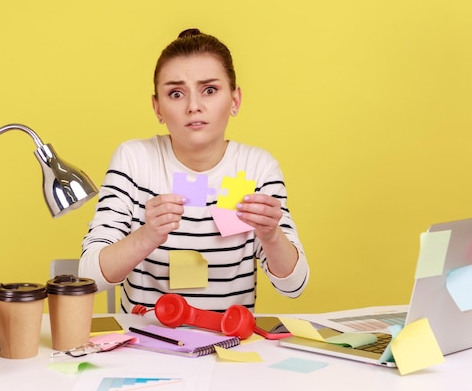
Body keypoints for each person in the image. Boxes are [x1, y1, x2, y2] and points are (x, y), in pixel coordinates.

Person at [80, 28, 309, 313]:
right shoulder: (135, 159)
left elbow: (294, 286)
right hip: (145, 348)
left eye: (209, 90)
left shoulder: (257, 168)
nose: (194, 106)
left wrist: (272, 234)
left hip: (229, 344)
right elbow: (88, 277)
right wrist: (148, 235)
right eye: (176, 93)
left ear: (234, 100)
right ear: (157, 107)